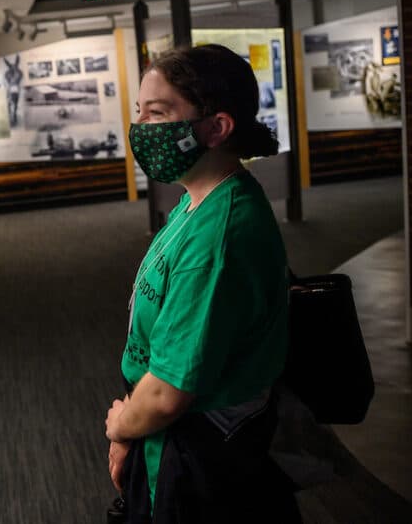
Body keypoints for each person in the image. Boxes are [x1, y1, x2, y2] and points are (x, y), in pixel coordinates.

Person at [104, 44, 298, 523]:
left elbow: (169, 393)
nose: (140, 128)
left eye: (158, 113)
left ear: (216, 127)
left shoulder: (218, 238)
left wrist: (122, 427)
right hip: (171, 431)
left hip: (198, 452)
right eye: (139, 111)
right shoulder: (197, 201)